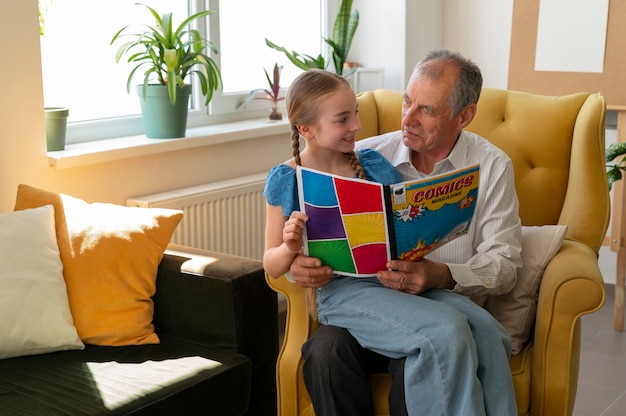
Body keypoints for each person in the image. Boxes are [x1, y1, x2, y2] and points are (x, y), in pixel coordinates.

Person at [289, 49, 523, 416]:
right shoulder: (362, 157)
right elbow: (300, 233)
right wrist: (298, 266)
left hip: (439, 306)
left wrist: (442, 275)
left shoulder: (492, 167)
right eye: (407, 102)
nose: (408, 119)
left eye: (426, 110)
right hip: (368, 302)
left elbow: (505, 265)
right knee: (325, 351)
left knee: (471, 338)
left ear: (464, 116)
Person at [262, 69, 403, 311]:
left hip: (392, 282)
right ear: (306, 129)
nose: (357, 125)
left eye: (356, 114)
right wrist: (290, 248)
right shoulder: (286, 179)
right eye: (343, 119)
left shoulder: (373, 166)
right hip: (341, 293)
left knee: (477, 323)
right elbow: (271, 265)